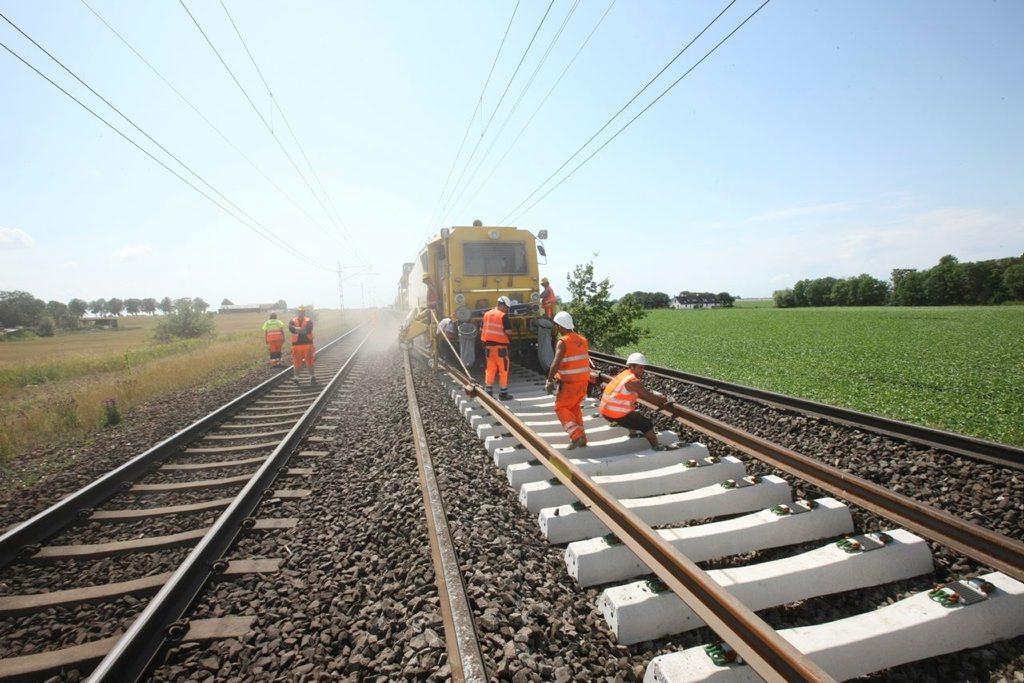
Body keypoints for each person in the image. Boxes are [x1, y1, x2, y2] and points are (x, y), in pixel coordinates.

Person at [599, 352, 674, 450]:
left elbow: (642, 392)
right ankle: (657, 447)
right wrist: (665, 400)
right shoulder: (633, 381)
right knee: (646, 424)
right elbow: (650, 397)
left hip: (605, 411)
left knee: (634, 413)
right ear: (632, 367)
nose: (643, 370)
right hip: (614, 413)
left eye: (643, 367)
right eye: (640, 367)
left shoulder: (624, 374)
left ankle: (633, 434)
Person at [544, 311, 590, 450]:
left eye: (556, 326)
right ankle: (582, 437)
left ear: (559, 326)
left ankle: (576, 436)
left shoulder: (563, 342)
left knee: (561, 407)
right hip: (583, 382)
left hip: (569, 383)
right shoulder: (582, 339)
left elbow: (556, 362)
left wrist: (549, 380)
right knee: (574, 407)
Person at [480, 296, 514, 399]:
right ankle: (503, 393)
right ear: (502, 305)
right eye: (506, 307)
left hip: (488, 348)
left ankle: (489, 391)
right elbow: (508, 331)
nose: (506, 310)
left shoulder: (486, 314)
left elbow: (481, 329)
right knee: (503, 370)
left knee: (490, 369)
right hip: (501, 349)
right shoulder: (503, 316)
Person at [289, 306, 316, 386]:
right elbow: (291, 329)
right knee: (296, 362)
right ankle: (296, 378)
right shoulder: (292, 320)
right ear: (297, 312)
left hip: (308, 345)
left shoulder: (309, 321)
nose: (301, 313)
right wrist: (302, 329)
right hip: (296, 346)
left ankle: (312, 377)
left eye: (302, 311)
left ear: (304, 312)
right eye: (299, 311)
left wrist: (297, 329)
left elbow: (308, 330)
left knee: (310, 362)